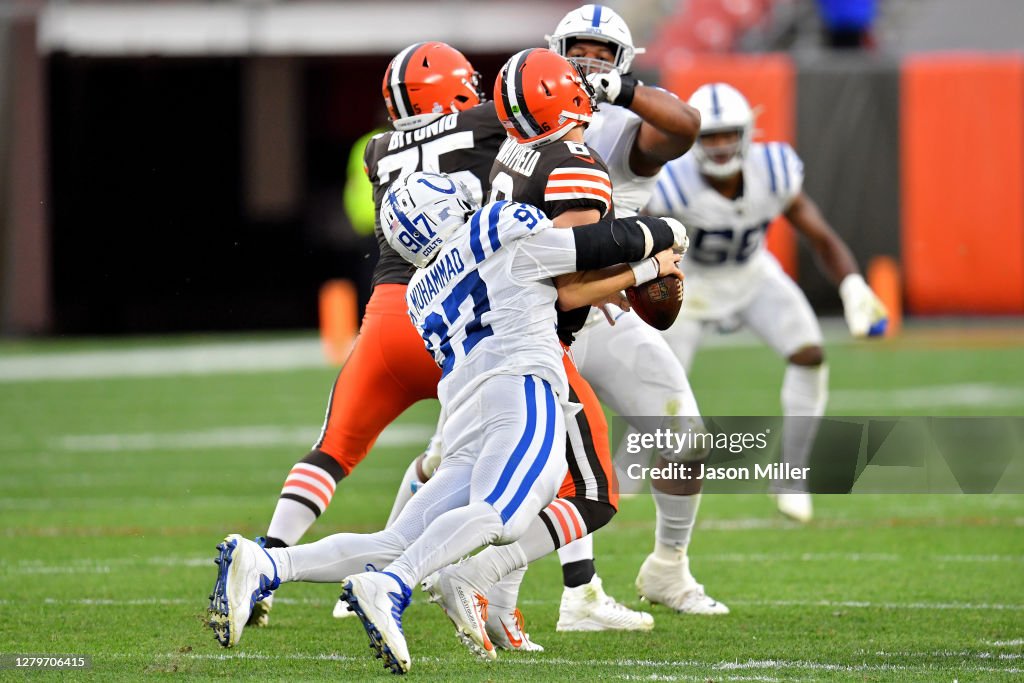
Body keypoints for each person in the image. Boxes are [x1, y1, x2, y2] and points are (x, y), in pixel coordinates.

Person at [205, 169, 689, 674]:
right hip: (520, 386)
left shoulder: (419, 290)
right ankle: (393, 584)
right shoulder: (497, 226)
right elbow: (596, 241)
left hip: (463, 407)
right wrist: (666, 239)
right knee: (503, 516)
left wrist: (630, 275)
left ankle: (269, 562)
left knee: (393, 541)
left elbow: (540, 280)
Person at [248, 41, 506, 628]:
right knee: (523, 453)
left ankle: (264, 559)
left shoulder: (377, 148)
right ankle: (574, 585)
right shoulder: (487, 121)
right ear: (454, 87)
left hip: (390, 311)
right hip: (463, 316)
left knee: (332, 449)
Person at [647, 82, 889, 523]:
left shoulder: (773, 170)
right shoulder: (670, 183)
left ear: (747, 132)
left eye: (728, 134)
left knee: (810, 353)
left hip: (753, 275)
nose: (720, 146)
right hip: (691, 285)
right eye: (710, 136)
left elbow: (819, 235)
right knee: (663, 387)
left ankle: (793, 475)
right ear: (693, 141)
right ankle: (632, 466)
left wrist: (854, 286)